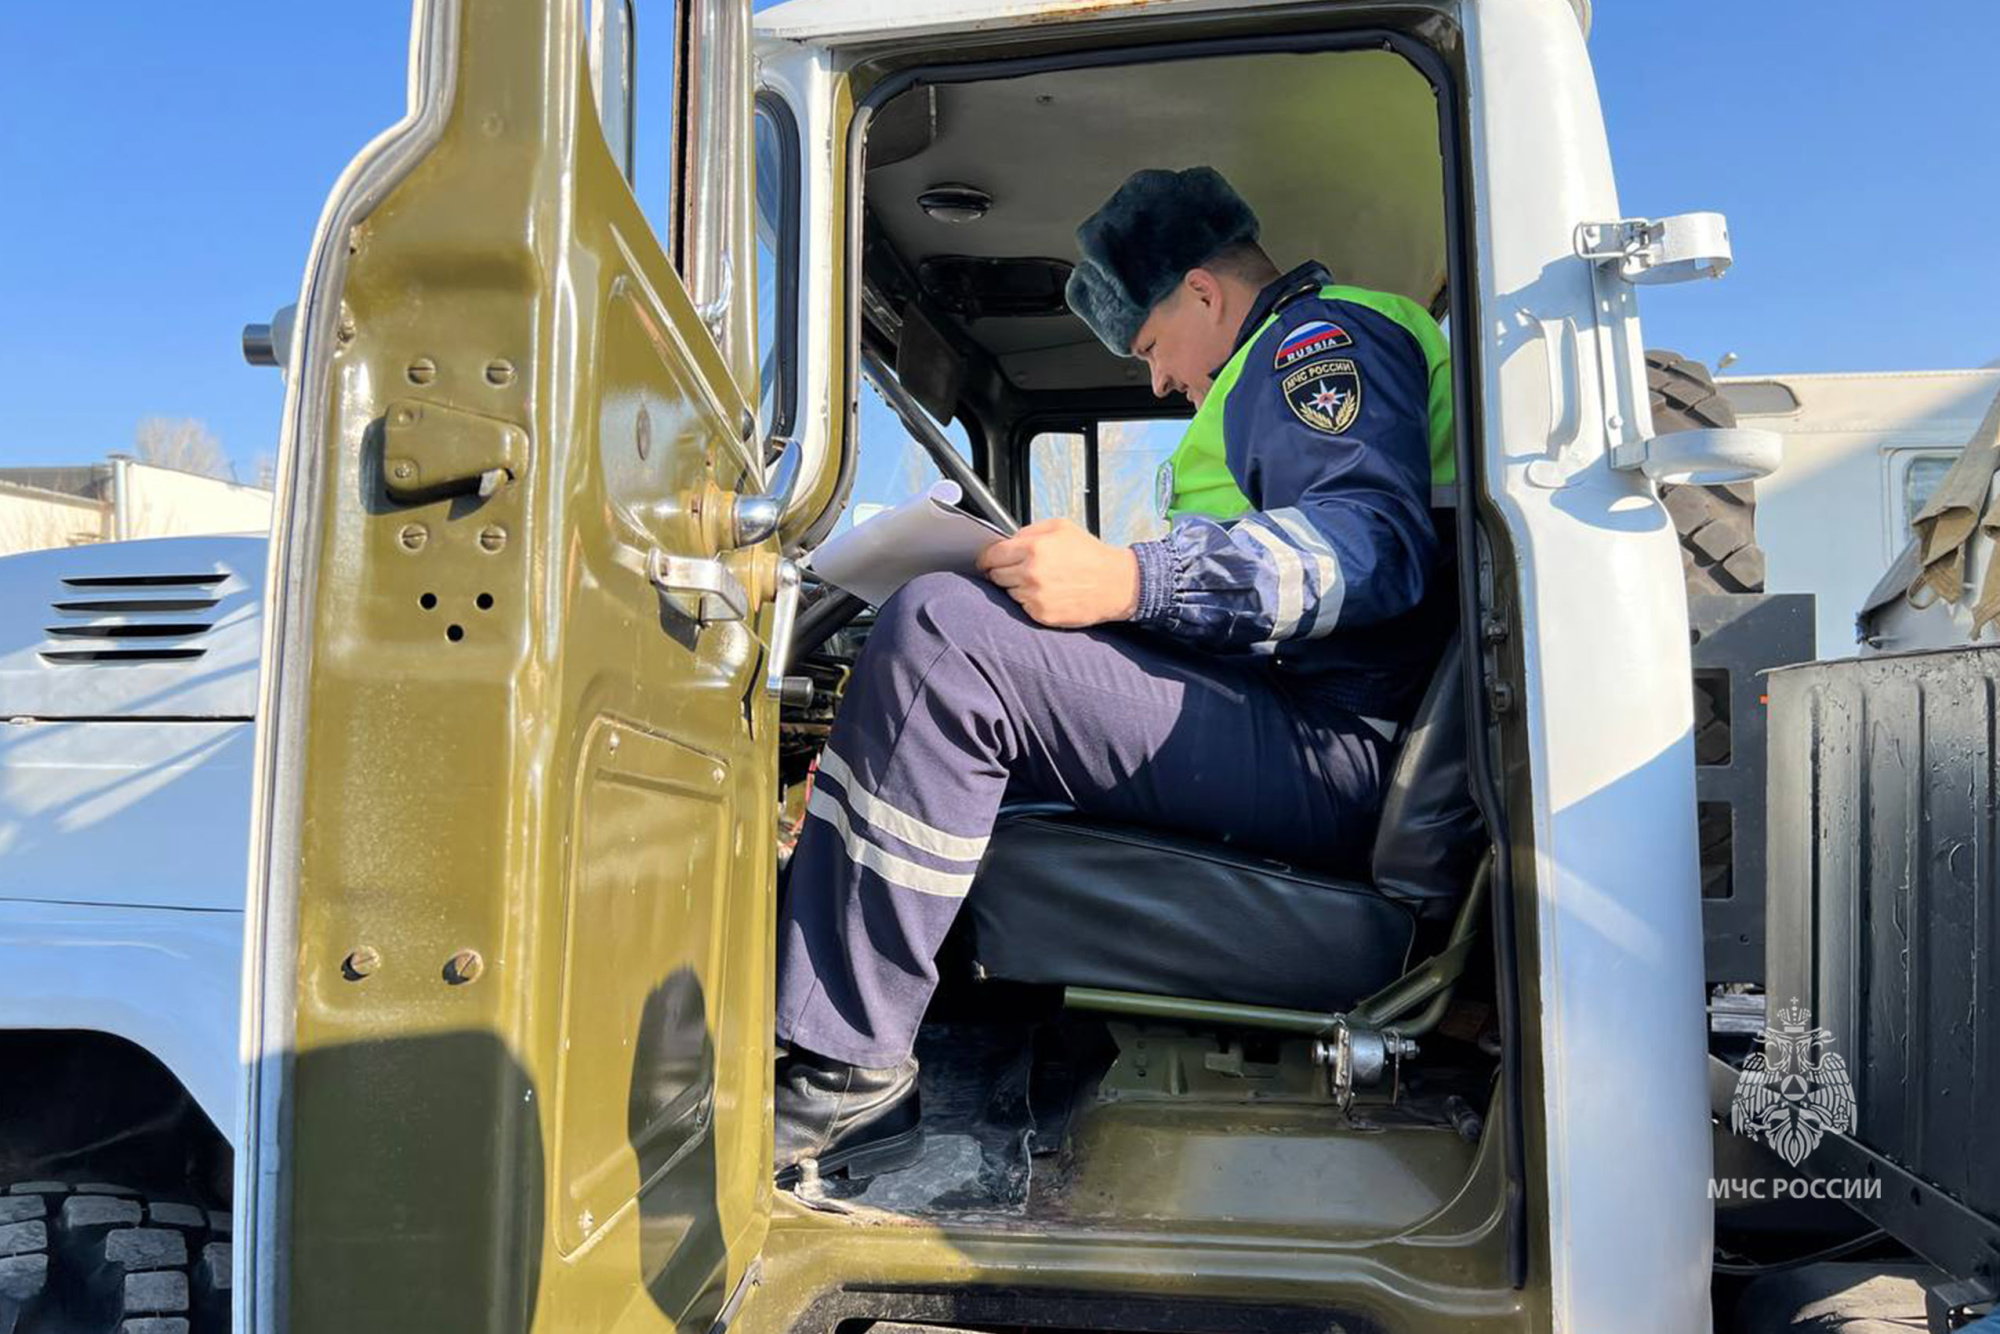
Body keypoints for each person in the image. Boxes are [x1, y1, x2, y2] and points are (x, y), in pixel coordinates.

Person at [772, 166, 1456, 1181]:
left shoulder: (1314, 345)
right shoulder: (1264, 370)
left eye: (1147, 346)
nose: (1156, 382)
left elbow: (1367, 548)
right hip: (1302, 718)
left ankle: (839, 1071)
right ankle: (900, 1015)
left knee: (946, 638)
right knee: (981, 639)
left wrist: (1131, 577)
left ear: (1204, 293)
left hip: (1335, 743)